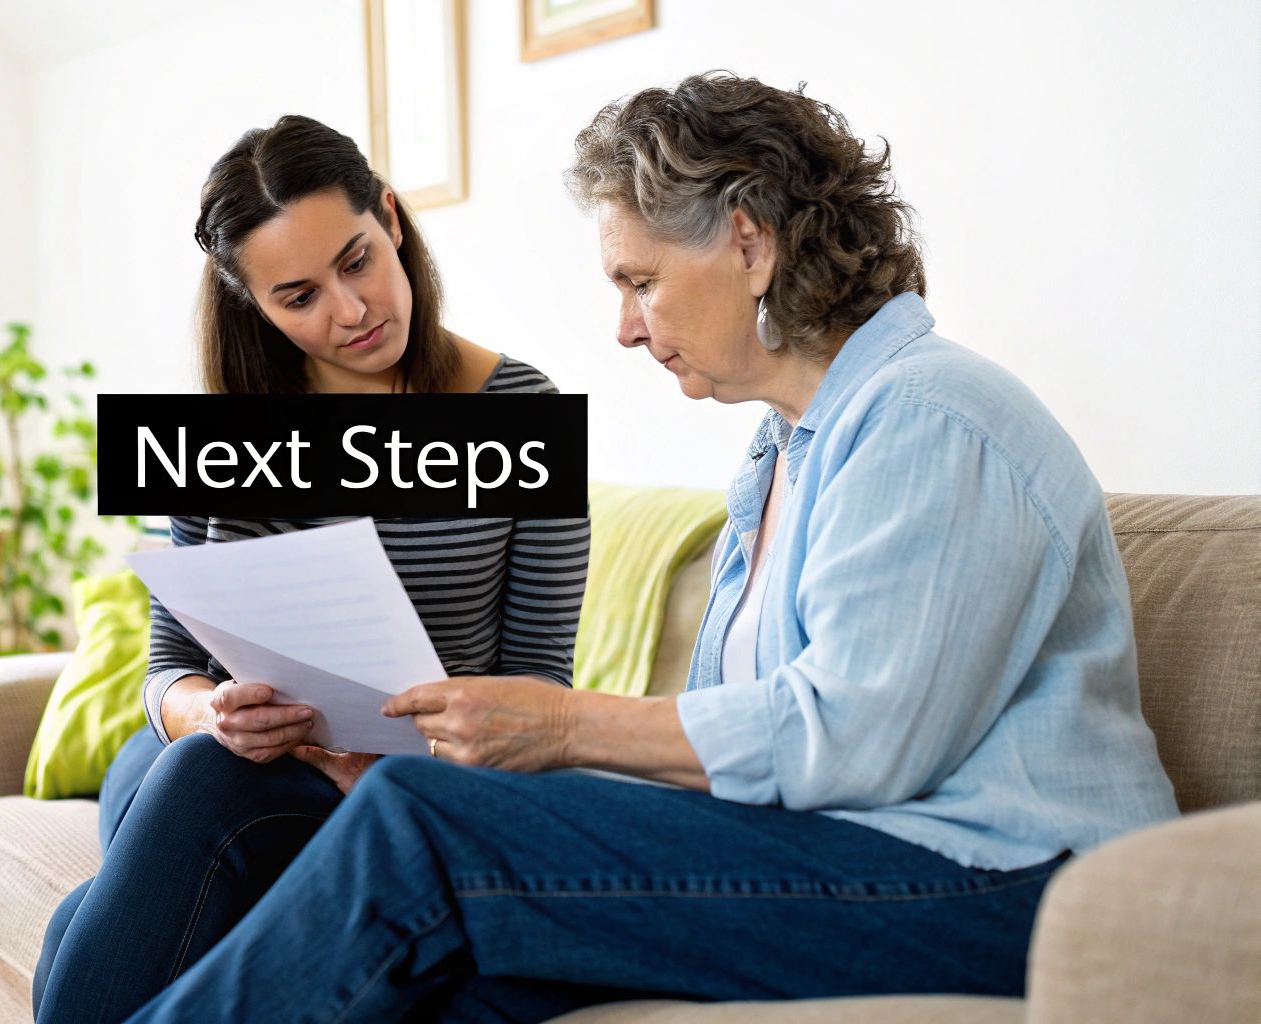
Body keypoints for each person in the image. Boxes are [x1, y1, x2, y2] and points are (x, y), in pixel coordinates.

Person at [119, 72, 1181, 1023]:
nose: (625, 327)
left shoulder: (930, 416)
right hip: (872, 859)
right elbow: (744, 764)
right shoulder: (780, 460)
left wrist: (565, 729)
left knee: (420, 822)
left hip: (1011, 886)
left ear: (747, 241)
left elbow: (851, 742)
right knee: (451, 975)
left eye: (639, 281)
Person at [29, 114, 591, 1024]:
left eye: (358, 261)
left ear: (392, 220)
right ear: (257, 306)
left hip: (415, 776)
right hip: (239, 757)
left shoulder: (521, 412)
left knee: (79, 922)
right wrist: (206, 710)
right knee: (197, 769)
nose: (352, 310)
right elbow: (167, 668)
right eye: (299, 296)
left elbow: (539, 676)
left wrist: (397, 758)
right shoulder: (226, 428)